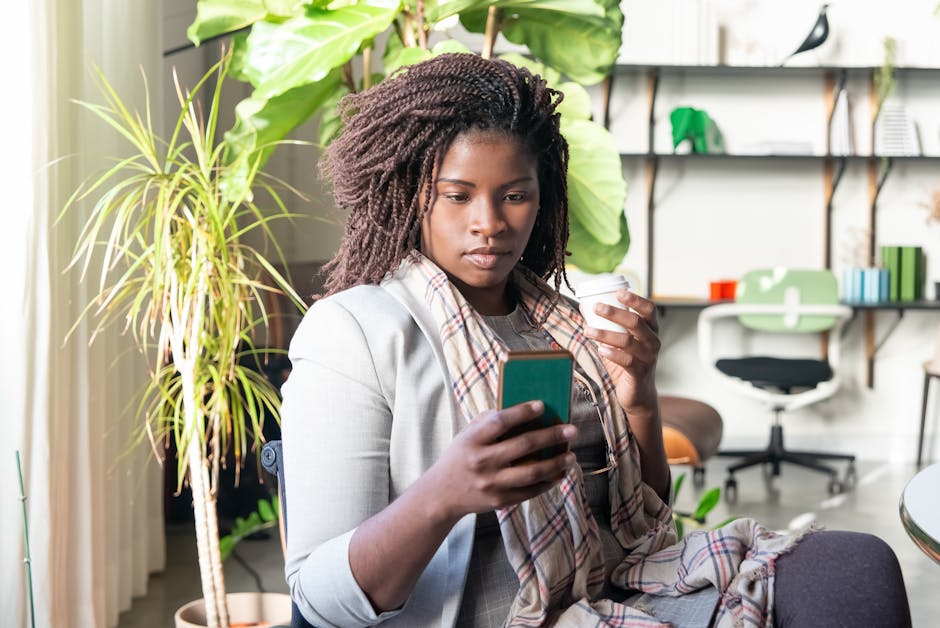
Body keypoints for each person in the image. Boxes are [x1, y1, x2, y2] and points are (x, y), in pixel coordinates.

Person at [280, 53, 912, 628]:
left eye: (516, 196)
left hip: (610, 589)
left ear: (542, 198)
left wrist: (638, 397)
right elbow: (319, 598)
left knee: (858, 567)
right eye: (457, 196)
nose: (490, 224)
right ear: (409, 193)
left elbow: (642, 524)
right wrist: (442, 495)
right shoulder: (354, 333)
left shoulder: (558, 317)